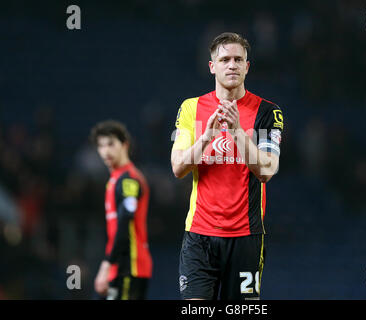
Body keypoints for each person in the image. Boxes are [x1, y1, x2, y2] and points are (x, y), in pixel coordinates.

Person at [171, 32, 284, 300]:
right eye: (224, 59)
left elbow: (267, 170)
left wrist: (237, 133)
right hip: (199, 236)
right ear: (212, 66)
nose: (231, 65)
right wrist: (207, 137)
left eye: (238, 59)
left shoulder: (268, 112)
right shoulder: (190, 108)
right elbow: (177, 167)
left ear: (247, 66)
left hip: (246, 238)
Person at [90, 120, 152, 300]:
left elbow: (125, 221)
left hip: (129, 266)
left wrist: (107, 264)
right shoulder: (115, 179)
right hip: (120, 267)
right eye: (100, 146)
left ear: (125, 145)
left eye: (110, 144)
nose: (105, 151)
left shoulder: (128, 180)